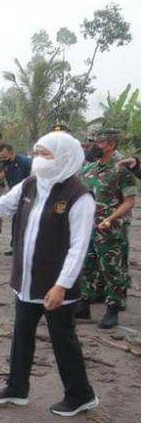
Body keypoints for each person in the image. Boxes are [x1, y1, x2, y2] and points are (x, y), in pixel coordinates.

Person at [0, 131, 98, 417]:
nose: (38, 159)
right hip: (26, 280)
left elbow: (78, 247)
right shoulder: (30, 184)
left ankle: (80, 395)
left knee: (63, 340)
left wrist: (61, 285)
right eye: (36, 152)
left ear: (64, 157)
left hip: (55, 285)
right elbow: (0, 205)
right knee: (21, 336)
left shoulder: (79, 196)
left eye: (45, 154)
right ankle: (17, 388)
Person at [77, 128, 136, 329]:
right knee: (87, 265)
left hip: (110, 228)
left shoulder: (121, 170)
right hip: (88, 227)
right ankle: (83, 304)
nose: (93, 146)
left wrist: (111, 217)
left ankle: (113, 310)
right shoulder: (88, 170)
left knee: (111, 268)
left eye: (98, 142)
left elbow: (129, 202)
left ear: (111, 145)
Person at [0, 143, 33, 255]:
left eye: (5, 157)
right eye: (1, 157)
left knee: (27, 222)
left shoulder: (26, 163)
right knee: (16, 221)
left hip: (28, 196)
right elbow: (6, 177)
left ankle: (26, 248)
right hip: (15, 195)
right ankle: (14, 246)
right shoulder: (5, 163)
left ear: (12, 152)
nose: (3, 159)